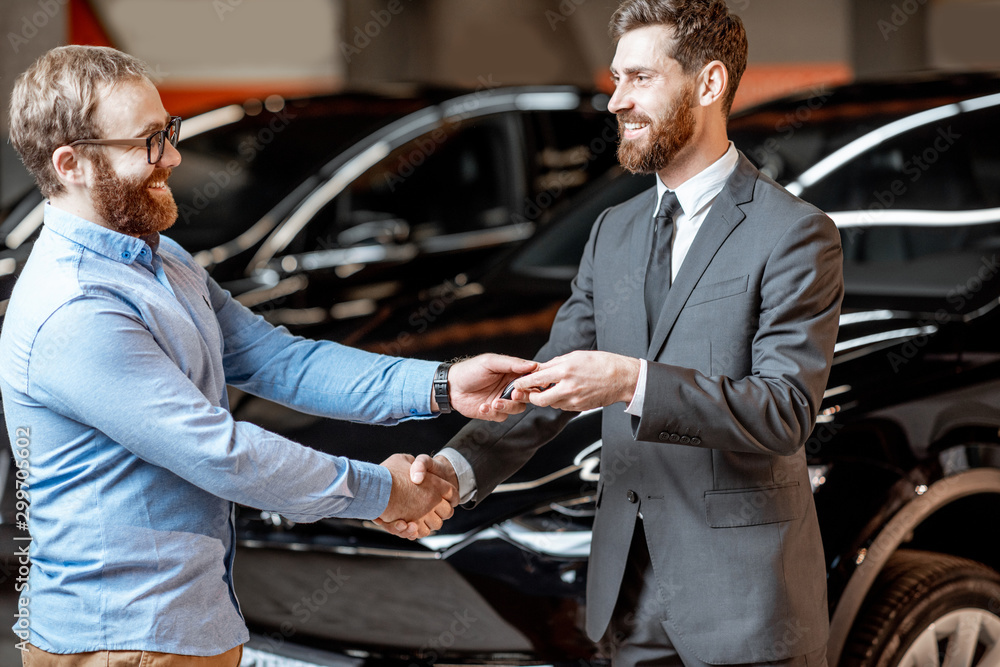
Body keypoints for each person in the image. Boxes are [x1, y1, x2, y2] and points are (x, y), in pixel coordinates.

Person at [0, 45, 536, 665]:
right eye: (149, 141)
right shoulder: (77, 309)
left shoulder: (160, 258)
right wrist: (383, 492)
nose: (173, 156)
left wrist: (440, 385)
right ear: (71, 164)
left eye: (169, 130)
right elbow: (220, 453)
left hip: (179, 629)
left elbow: (279, 360)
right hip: (122, 643)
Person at [390, 1, 844, 665]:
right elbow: (549, 373)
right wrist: (453, 473)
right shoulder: (614, 232)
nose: (615, 102)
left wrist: (632, 380)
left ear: (710, 84)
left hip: (748, 609)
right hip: (625, 598)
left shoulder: (795, 234)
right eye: (616, 79)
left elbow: (784, 412)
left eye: (640, 78)